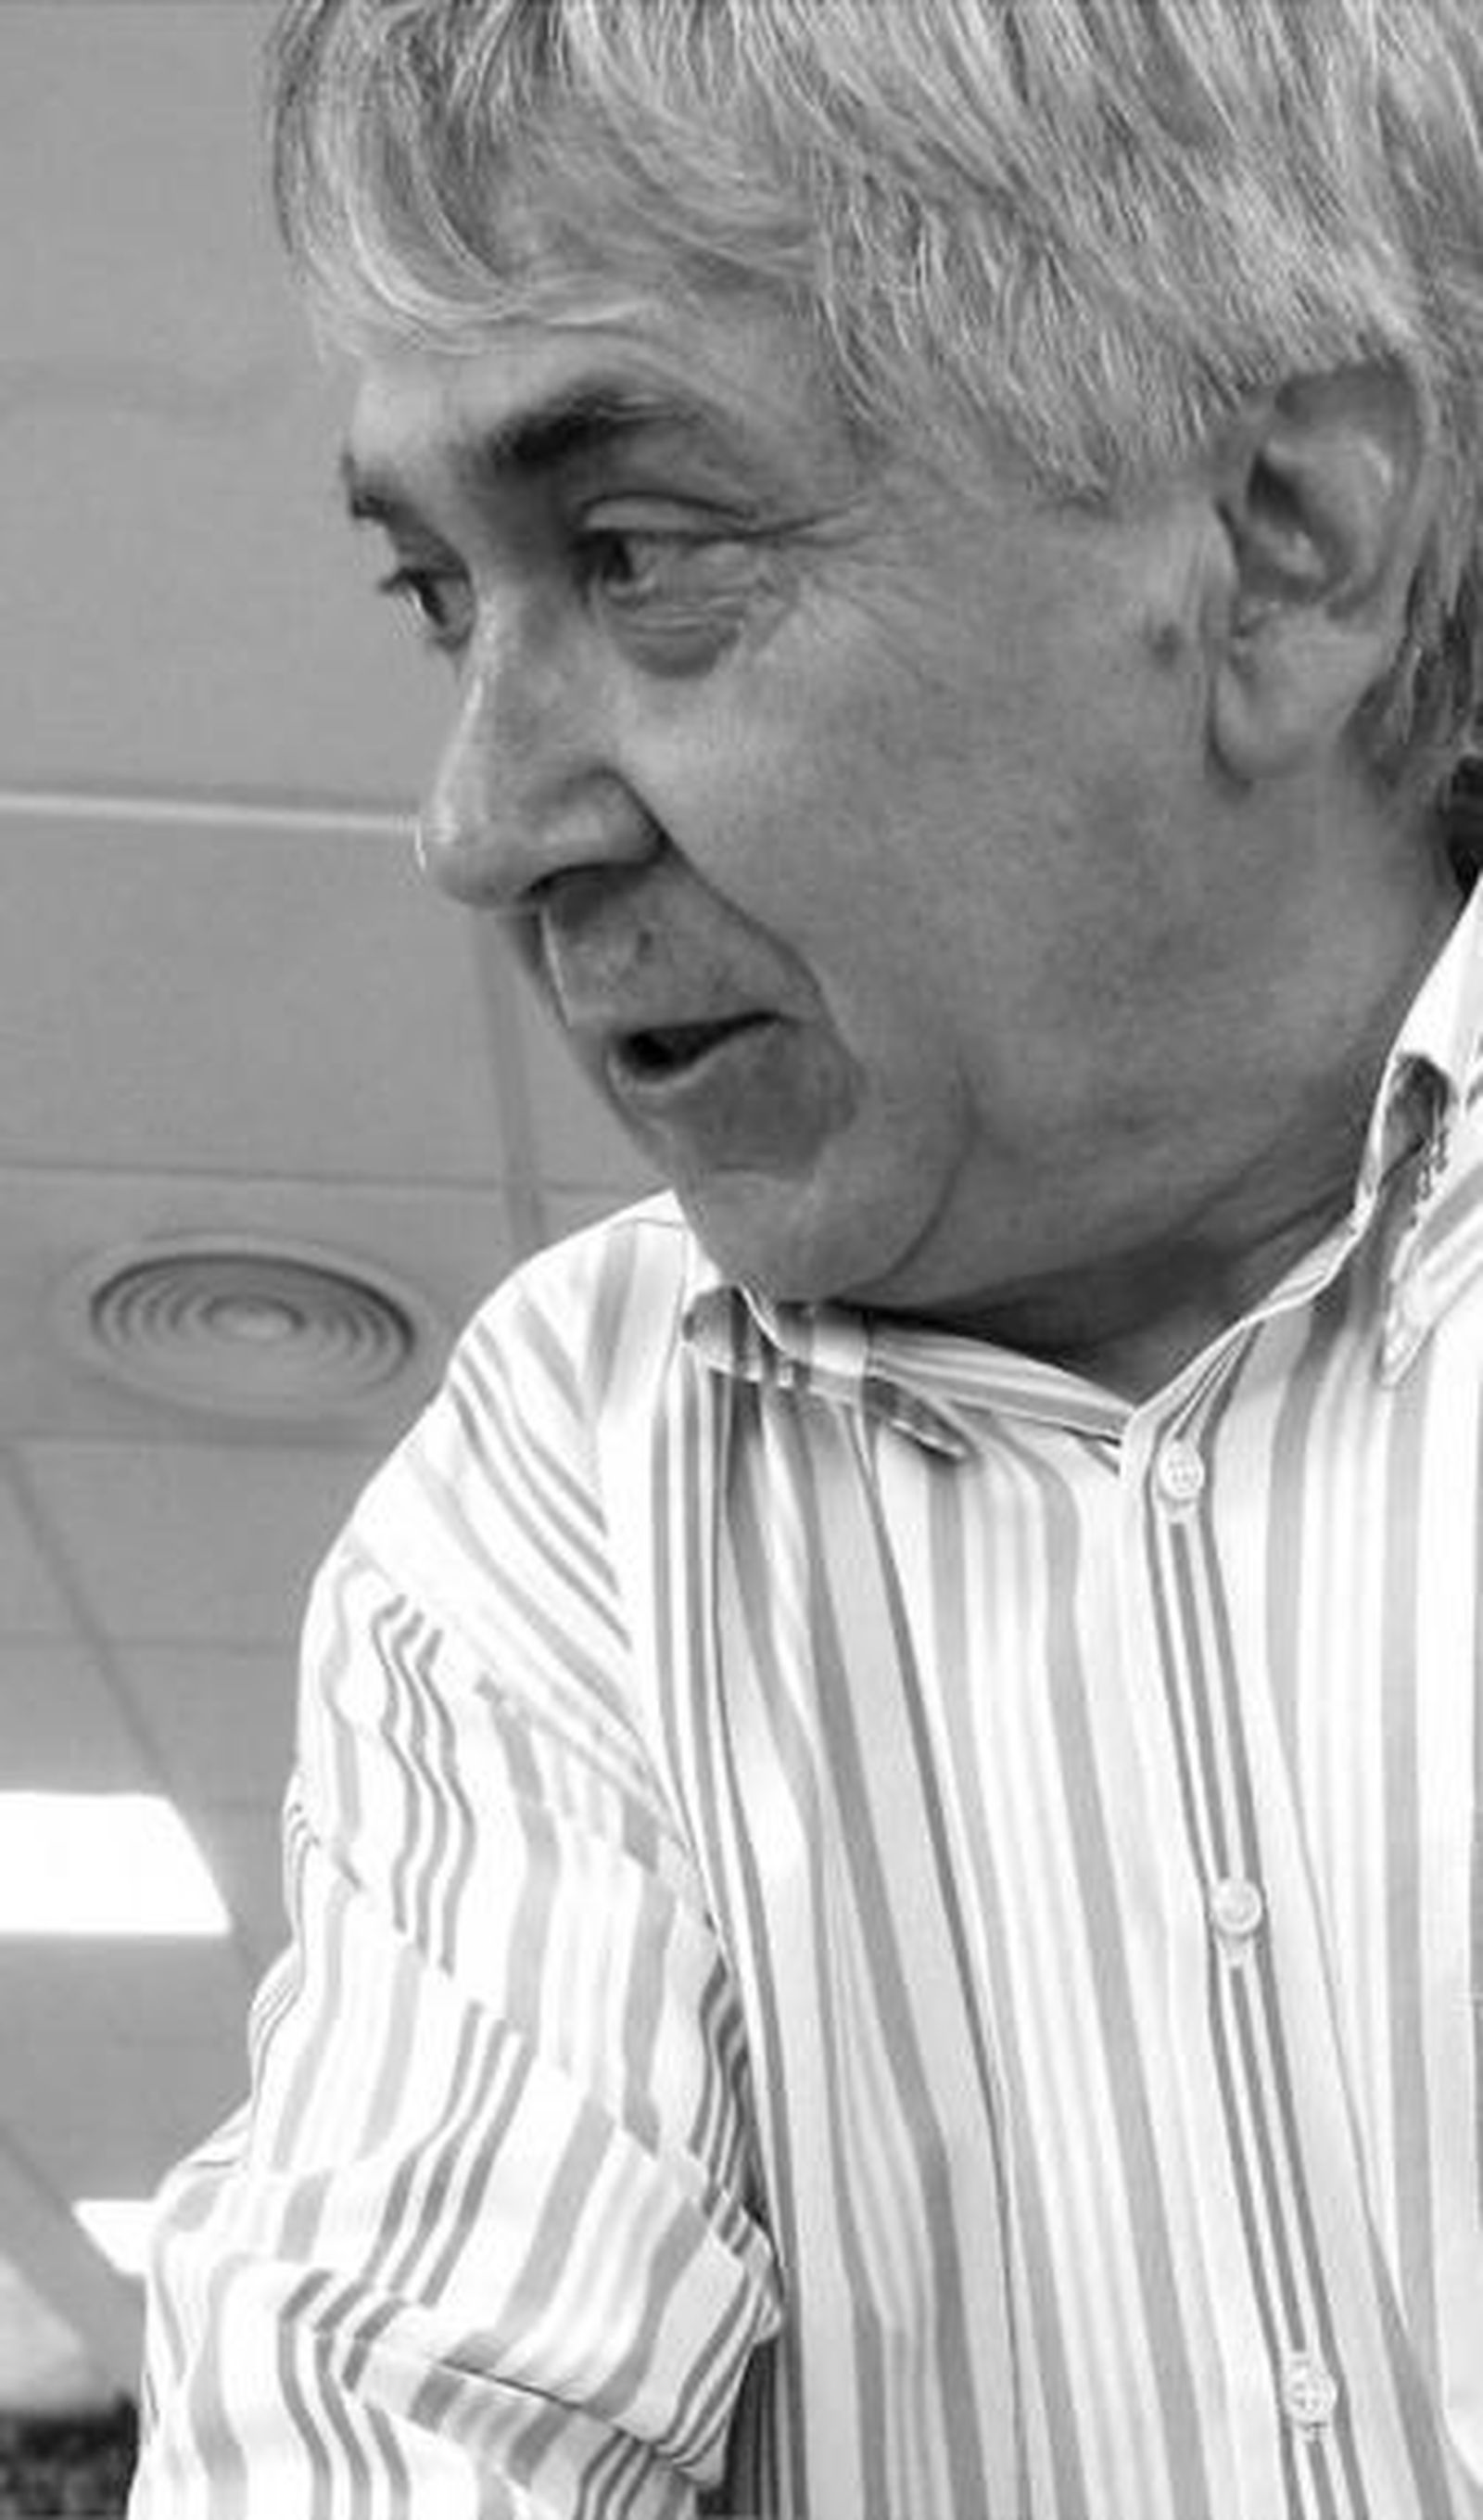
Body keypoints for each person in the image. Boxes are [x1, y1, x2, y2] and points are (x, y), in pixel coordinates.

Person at [130, 2, 1483, 2513]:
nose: (477, 825)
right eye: (437, 596)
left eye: (639, 553)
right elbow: (389, 2403)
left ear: (1286, 538)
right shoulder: (570, 1480)